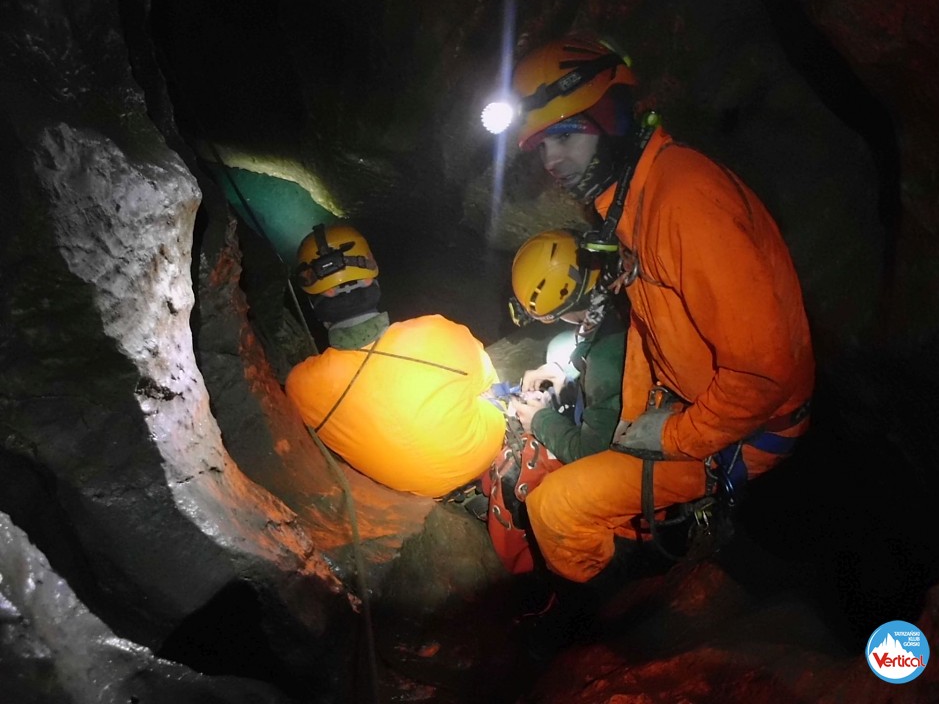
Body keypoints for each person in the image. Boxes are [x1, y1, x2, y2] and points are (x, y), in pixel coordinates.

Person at [504, 35, 815, 589]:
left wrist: (672, 436)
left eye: (566, 136)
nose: (552, 161)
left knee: (555, 510)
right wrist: (573, 370)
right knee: (598, 437)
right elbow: (654, 318)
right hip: (693, 394)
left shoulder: (684, 205)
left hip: (744, 429)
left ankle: (620, 596)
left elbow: (763, 376)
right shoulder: (633, 195)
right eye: (542, 145)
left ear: (609, 118)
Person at [284, 223, 506, 499]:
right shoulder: (437, 330)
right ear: (372, 280)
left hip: (420, 491)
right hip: (484, 450)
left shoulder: (300, 385)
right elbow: (489, 382)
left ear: (313, 302)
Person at [483, 229, 627, 575]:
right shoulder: (614, 292)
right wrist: (567, 378)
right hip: (616, 381)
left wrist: (540, 421)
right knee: (561, 350)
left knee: (523, 475)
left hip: (619, 457)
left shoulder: (606, 360)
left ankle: (537, 575)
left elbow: (592, 452)